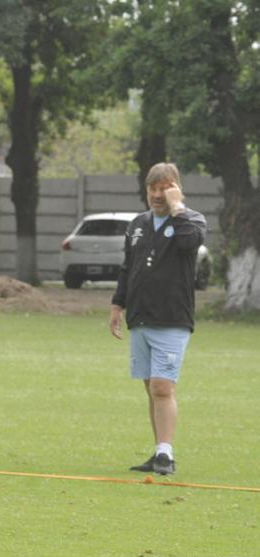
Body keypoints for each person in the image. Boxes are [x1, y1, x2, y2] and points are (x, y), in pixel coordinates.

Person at [110, 163, 207, 477]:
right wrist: (117, 304)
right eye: (151, 188)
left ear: (176, 189)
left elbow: (189, 243)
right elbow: (129, 266)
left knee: (163, 387)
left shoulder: (190, 220)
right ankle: (159, 451)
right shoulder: (138, 224)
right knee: (151, 388)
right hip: (140, 318)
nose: (156, 195)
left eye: (163, 188)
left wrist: (177, 207)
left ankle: (166, 454)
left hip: (172, 319)